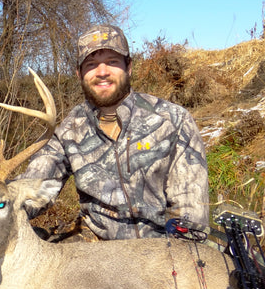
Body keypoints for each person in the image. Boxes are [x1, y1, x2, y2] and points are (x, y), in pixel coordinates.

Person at [19, 24, 209, 240]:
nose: (102, 72)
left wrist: (179, 257)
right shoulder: (68, 131)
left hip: (160, 252)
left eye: (112, 62)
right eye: (91, 64)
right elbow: (33, 187)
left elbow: (191, 211)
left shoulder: (172, 120)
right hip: (95, 249)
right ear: (79, 73)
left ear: (128, 67)